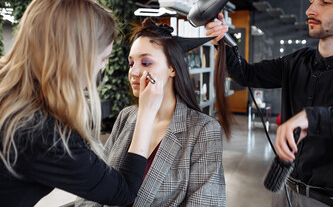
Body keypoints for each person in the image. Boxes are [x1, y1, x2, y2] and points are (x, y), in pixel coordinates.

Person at [206, 0, 333, 206]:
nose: (310, 10)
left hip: (329, 202)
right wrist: (225, 42)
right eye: (311, 1)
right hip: (284, 193)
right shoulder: (297, 61)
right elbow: (245, 74)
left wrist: (313, 118)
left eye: (326, 2)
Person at [0, 0, 165, 207]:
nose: (101, 68)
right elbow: (123, 193)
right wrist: (147, 113)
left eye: (146, 63)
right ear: (77, 57)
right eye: (102, 59)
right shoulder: (44, 132)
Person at [76, 17, 226, 207]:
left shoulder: (203, 130)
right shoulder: (127, 116)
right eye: (131, 64)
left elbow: (206, 202)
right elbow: (96, 183)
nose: (134, 72)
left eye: (146, 63)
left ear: (172, 68)